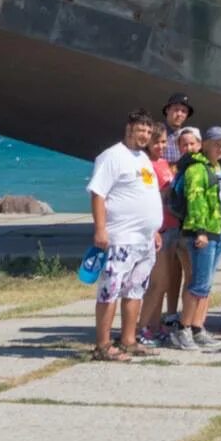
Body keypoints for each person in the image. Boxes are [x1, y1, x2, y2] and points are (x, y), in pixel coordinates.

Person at [88, 111, 163, 361]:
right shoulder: (112, 156)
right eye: (140, 129)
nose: (145, 135)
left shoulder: (143, 157)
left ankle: (129, 340)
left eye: (148, 131)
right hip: (121, 237)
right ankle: (103, 344)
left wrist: (153, 230)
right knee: (110, 290)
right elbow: (98, 193)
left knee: (135, 290)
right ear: (129, 128)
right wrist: (100, 228)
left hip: (144, 240)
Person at [174, 126, 221, 351]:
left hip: (217, 232)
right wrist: (201, 230)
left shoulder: (216, 167)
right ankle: (183, 329)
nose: (220, 148)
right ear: (205, 145)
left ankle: (198, 327)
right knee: (198, 284)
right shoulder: (196, 168)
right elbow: (195, 200)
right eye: (216, 143)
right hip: (202, 234)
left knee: (207, 284)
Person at [139, 125, 194, 344]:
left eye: (163, 142)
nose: (161, 146)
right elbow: (148, 196)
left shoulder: (163, 163)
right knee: (157, 282)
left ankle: (154, 324)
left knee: (165, 281)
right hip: (158, 229)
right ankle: (142, 327)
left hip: (172, 226)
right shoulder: (145, 165)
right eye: (156, 142)